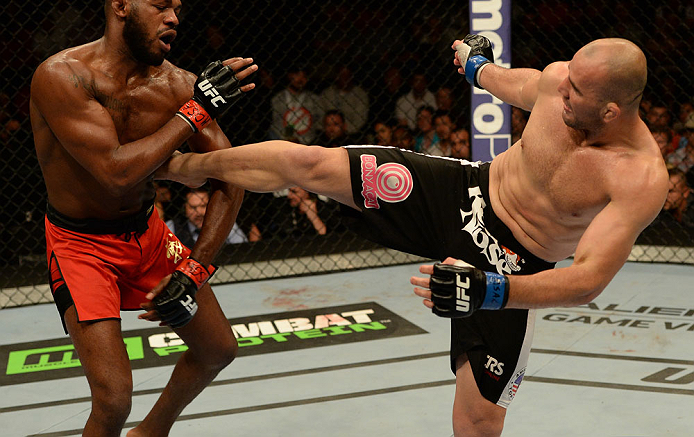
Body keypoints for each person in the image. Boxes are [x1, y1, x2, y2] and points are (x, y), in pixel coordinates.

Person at [156, 36, 668, 437]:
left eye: (576, 93)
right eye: (566, 79)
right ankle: (175, 164)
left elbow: (588, 279)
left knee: (478, 425)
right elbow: (505, 80)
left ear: (611, 112)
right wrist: (474, 64)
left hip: (514, 263)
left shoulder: (638, 177)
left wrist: (494, 291)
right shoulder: (560, 82)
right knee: (308, 162)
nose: (560, 92)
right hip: (465, 194)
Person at [29, 0, 256, 437]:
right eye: (162, 6)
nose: (174, 18)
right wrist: (195, 112)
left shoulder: (176, 84)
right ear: (121, 7)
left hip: (148, 233)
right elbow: (115, 172)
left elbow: (230, 177)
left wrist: (197, 269)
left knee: (217, 350)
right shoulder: (62, 76)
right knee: (113, 400)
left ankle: (151, 432)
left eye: (178, 9)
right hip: (80, 244)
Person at [167, 188, 250, 247]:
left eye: (203, 206)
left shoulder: (225, 223)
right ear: (185, 208)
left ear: (211, 206)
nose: (198, 212)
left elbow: (243, 249)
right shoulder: (171, 227)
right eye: (193, 207)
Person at [270, 67, 322, 144]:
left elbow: (319, 123)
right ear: (289, 76)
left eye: (304, 76)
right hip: (280, 141)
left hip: (308, 142)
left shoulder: (314, 99)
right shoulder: (278, 98)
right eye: (297, 75)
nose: (300, 79)